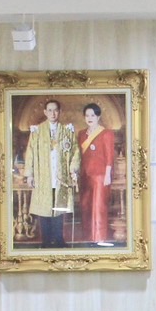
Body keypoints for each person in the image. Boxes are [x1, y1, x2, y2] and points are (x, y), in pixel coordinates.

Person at [25, 98, 78, 247]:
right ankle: (46, 241)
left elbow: (75, 152)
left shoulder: (67, 131)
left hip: (60, 177)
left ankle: (59, 240)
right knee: (44, 210)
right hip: (43, 177)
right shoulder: (37, 131)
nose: (53, 113)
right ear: (45, 112)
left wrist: (73, 171)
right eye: (50, 110)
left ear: (60, 112)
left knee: (59, 210)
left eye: (55, 110)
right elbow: (30, 154)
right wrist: (30, 174)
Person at [77, 103, 117, 246]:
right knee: (86, 205)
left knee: (99, 206)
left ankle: (100, 238)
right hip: (85, 175)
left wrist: (107, 175)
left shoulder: (106, 133)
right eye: (87, 115)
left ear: (98, 116)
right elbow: (79, 156)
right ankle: (89, 236)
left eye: (93, 115)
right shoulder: (82, 134)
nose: (90, 118)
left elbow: (109, 156)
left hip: (100, 176)